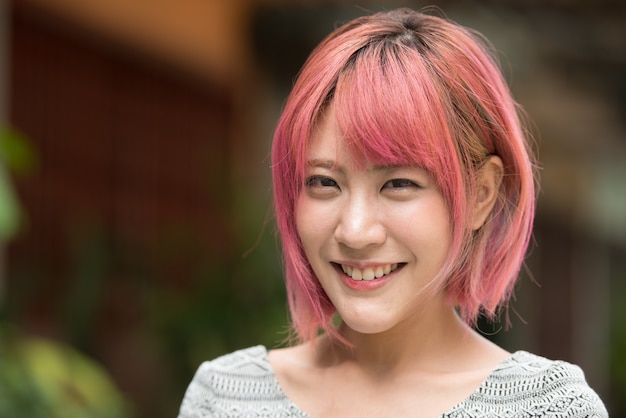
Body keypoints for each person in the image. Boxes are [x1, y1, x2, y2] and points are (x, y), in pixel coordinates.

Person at [178, 8, 608, 417]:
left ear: (481, 195)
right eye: (325, 182)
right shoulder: (226, 398)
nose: (355, 231)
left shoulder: (544, 408)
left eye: (399, 183)